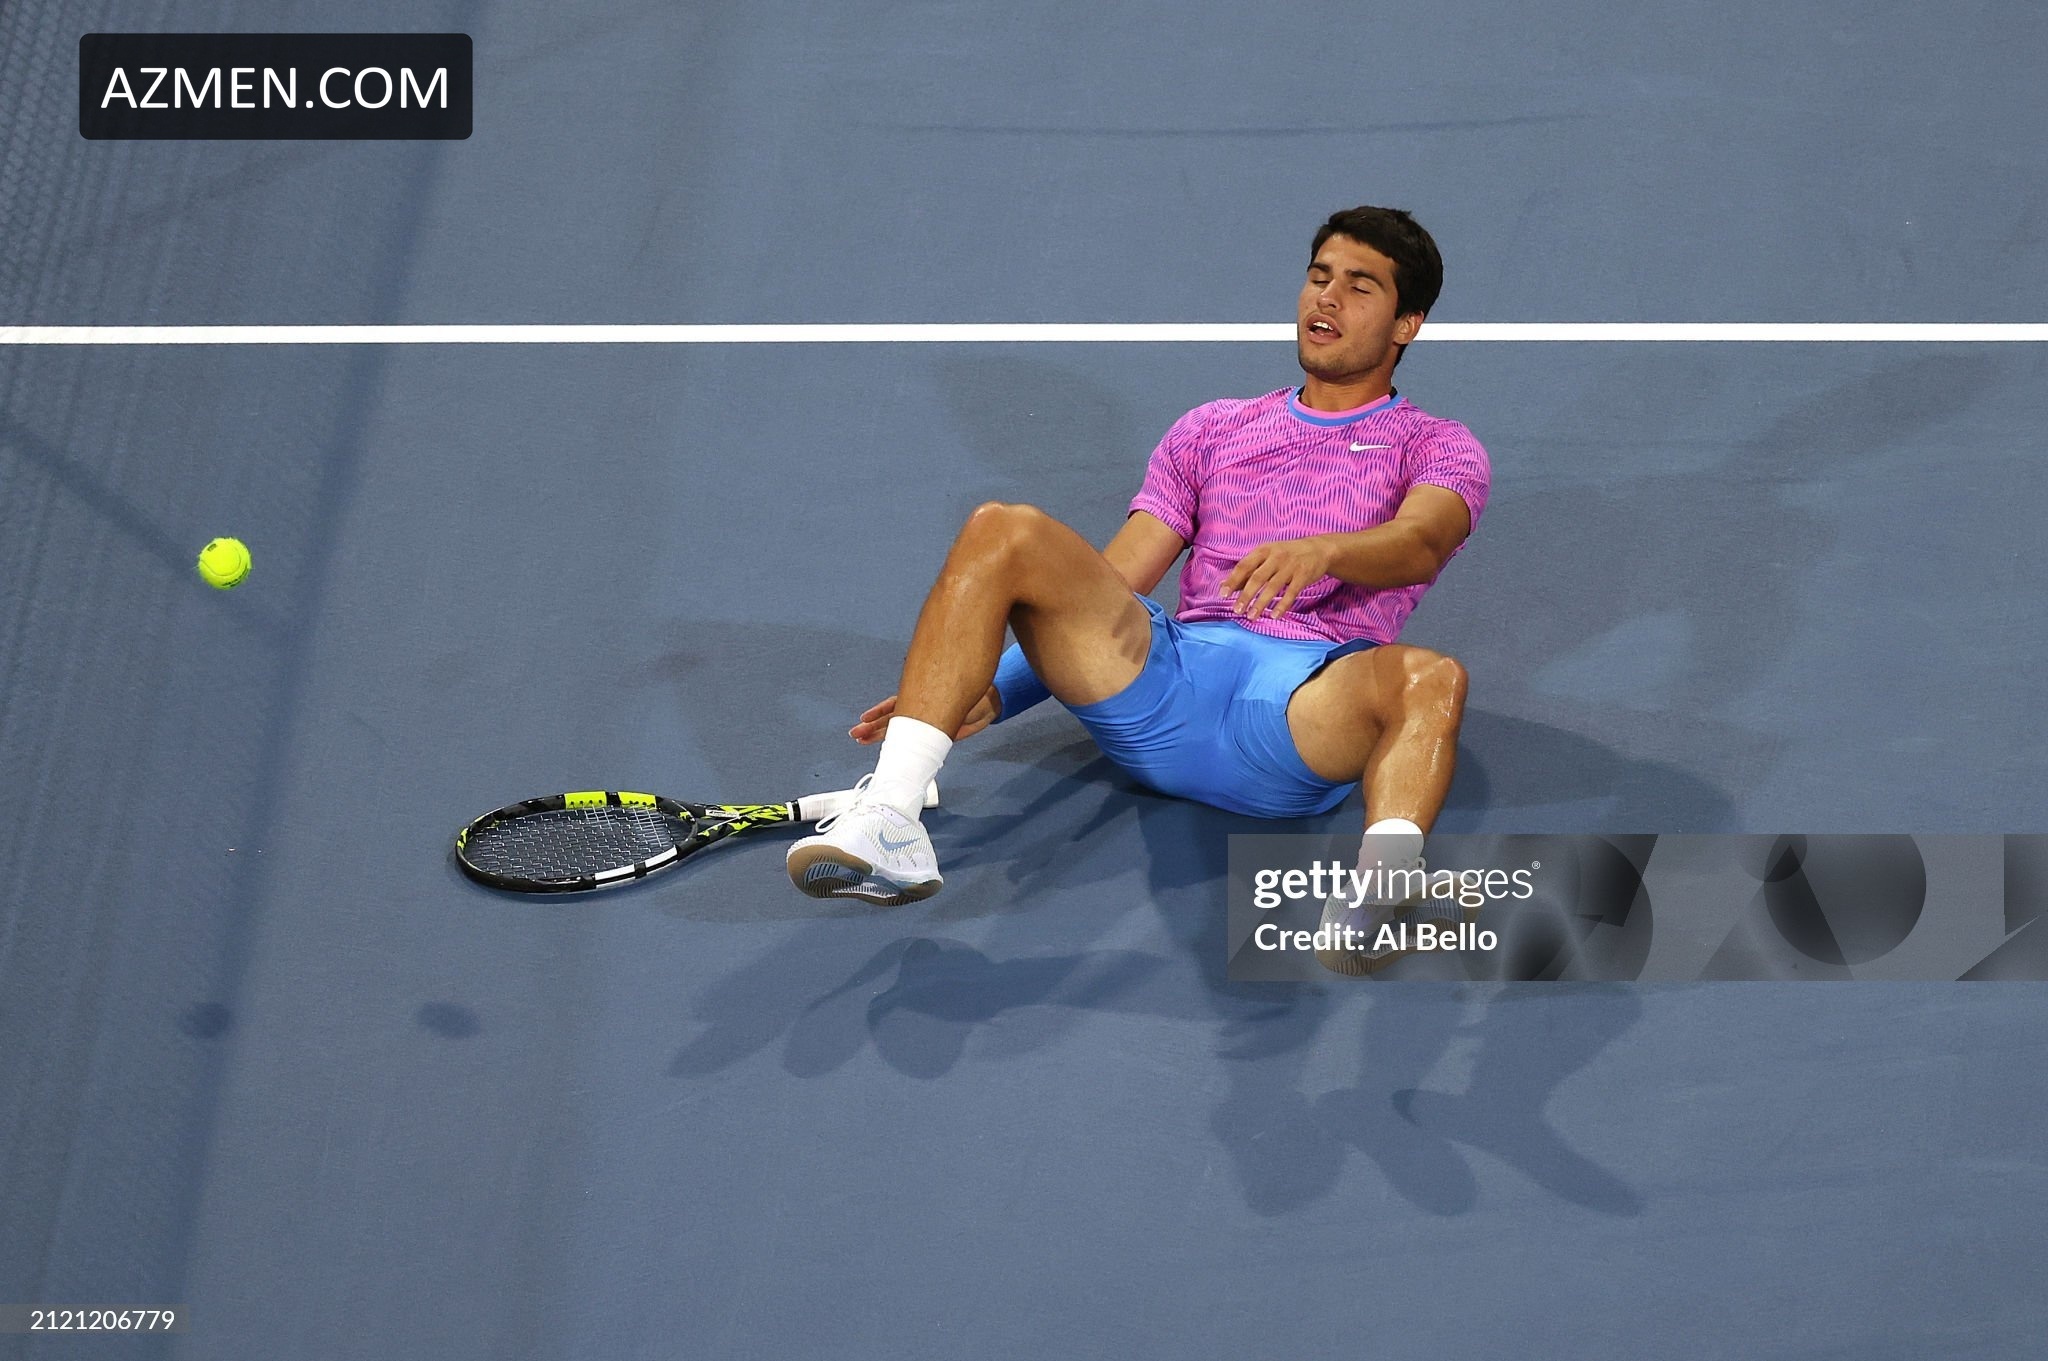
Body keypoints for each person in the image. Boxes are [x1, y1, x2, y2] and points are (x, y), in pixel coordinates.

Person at [786, 206, 1490, 974]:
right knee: (1004, 530)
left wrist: (1328, 550)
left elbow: (1421, 543)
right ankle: (890, 816)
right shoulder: (1213, 428)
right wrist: (989, 689)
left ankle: (1383, 892)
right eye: (1319, 276)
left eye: (1360, 287)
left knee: (1432, 678)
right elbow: (1111, 584)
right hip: (1165, 691)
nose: (1327, 298)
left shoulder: (1438, 445)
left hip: (1301, 716)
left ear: (1407, 324)